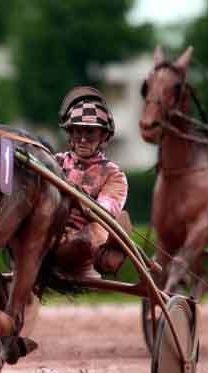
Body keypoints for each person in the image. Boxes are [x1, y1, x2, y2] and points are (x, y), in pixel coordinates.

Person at [54, 86, 131, 279]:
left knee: (92, 232)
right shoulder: (55, 162)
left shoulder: (113, 175)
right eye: (77, 131)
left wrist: (77, 196)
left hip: (83, 243)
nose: (82, 139)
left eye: (90, 133)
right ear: (70, 134)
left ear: (103, 137)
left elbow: (105, 212)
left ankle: (113, 252)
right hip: (49, 231)